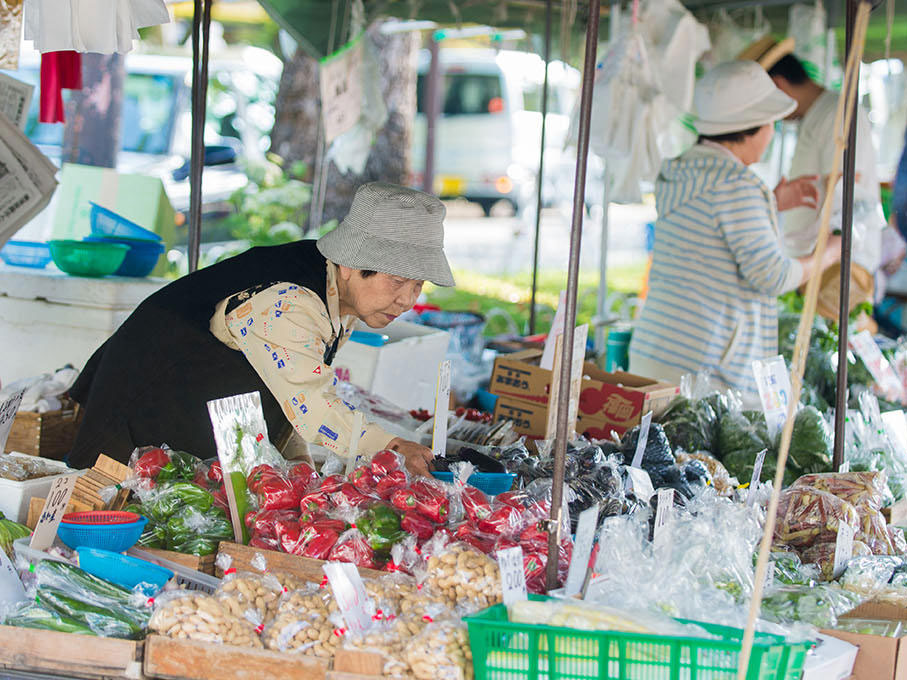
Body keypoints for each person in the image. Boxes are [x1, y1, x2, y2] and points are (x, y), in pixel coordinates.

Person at [67, 182, 455, 477]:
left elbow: (293, 387)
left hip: (186, 436)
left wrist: (300, 467)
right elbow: (314, 406)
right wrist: (394, 445)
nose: (408, 300)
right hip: (134, 426)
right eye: (397, 281)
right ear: (352, 263)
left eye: (418, 285)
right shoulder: (289, 301)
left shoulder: (344, 296)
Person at [629, 61, 841, 403]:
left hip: (655, 351)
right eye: (771, 124)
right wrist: (829, 253)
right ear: (754, 128)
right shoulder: (737, 185)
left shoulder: (681, 170)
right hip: (701, 371)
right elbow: (772, 275)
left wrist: (771, 202)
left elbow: (706, 229)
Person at [746, 41, 885, 281]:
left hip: (834, 271)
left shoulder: (836, 113)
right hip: (814, 265)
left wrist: (827, 255)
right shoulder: (818, 114)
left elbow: (845, 190)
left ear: (778, 84)